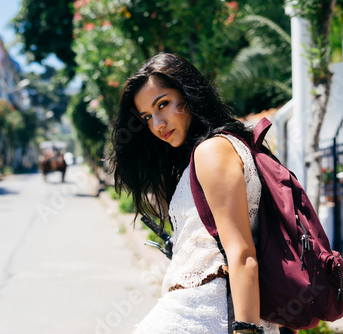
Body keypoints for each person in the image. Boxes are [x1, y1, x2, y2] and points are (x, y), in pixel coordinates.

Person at [110, 53, 284, 334]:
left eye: (163, 104)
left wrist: (246, 330)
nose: (157, 124)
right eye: (147, 117)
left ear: (189, 94)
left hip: (206, 315)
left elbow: (242, 254)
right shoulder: (215, 150)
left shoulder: (212, 151)